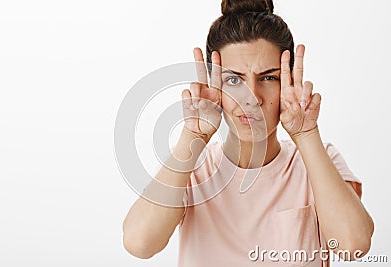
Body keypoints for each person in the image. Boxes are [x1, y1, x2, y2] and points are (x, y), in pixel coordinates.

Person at [122, 0, 374, 266]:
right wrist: (192, 137)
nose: (252, 97)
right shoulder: (193, 169)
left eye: (268, 78)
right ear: (214, 85)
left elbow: (353, 246)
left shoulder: (319, 161)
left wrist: (306, 134)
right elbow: (139, 243)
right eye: (233, 80)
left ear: (288, 82)